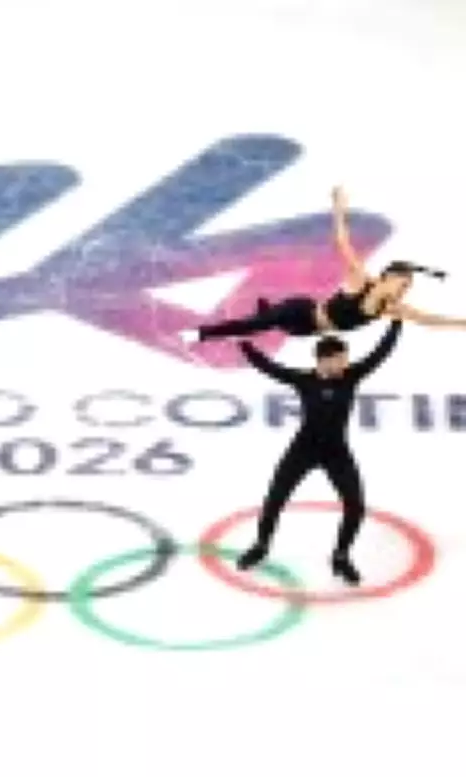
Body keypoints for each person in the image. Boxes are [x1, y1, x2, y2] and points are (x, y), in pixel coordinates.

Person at [235, 318, 402, 585]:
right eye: (340, 359)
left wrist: (396, 323)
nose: (345, 364)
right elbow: (269, 368)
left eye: (346, 359)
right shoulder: (304, 380)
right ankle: (261, 545)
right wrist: (244, 344)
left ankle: (341, 556)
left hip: (336, 452)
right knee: (274, 499)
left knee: (356, 505)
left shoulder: (351, 376)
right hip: (302, 450)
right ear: (324, 360)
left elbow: (380, 353)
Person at [189, 187, 457, 342]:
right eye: (403, 283)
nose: (405, 290)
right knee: (254, 325)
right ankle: (203, 333)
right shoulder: (361, 282)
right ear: (387, 277)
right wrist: (339, 209)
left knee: (271, 323)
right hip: (299, 311)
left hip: (306, 331)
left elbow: (431, 320)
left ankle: (267, 312)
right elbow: (343, 243)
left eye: (408, 286)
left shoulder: (391, 308)